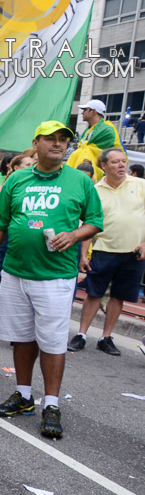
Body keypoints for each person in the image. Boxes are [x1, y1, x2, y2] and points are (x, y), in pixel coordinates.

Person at [0, 121, 103, 439]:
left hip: (55, 277)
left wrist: (74, 235)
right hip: (15, 273)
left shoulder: (80, 181)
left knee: (51, 342)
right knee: (22, 337)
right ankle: (23, 395)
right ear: (35, 143)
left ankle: (51, 404)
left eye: (63, 140)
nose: (58, 144)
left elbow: (94, 221)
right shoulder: (17, 179)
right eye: (50, 139)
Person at [68, 148, 145, 356]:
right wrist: (84, 254)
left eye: (123, 161)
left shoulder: (140, 185)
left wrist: (144, 244)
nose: (121, 165)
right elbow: (88, 225)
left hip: (132, 252)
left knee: (118, 296)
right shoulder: (96, 190)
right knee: (94, 294)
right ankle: (82, 334)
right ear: (103, 166)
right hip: (103, 250)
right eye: (115, 162)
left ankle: (106, 337)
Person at [0, 153, 36, 335]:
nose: (32, 166)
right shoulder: (7, 181)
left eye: (33, 163)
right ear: (16, 168)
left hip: (13, 239)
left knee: (1, 279)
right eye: (28, 163)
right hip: (3, 236)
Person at [68, 99, 122, 180]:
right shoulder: (88, 130)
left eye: (85, 110)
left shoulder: (106, 130)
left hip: (96, 175)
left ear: (93, 111)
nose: (82, 113)